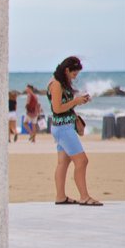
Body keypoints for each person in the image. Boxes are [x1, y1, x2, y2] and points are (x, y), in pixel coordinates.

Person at [47, 56, 101, 206]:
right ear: (66, 70)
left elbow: (64, 106)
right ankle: (84, 197)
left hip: (62, 127)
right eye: (74, 73)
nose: (74, 76)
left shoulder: (61, 82)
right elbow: (57, 109)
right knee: (82, 161)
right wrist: (75, 101)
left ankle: (60, 197)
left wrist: (79, 101)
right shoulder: (56, 84)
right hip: (63, 128)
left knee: (63, 163)